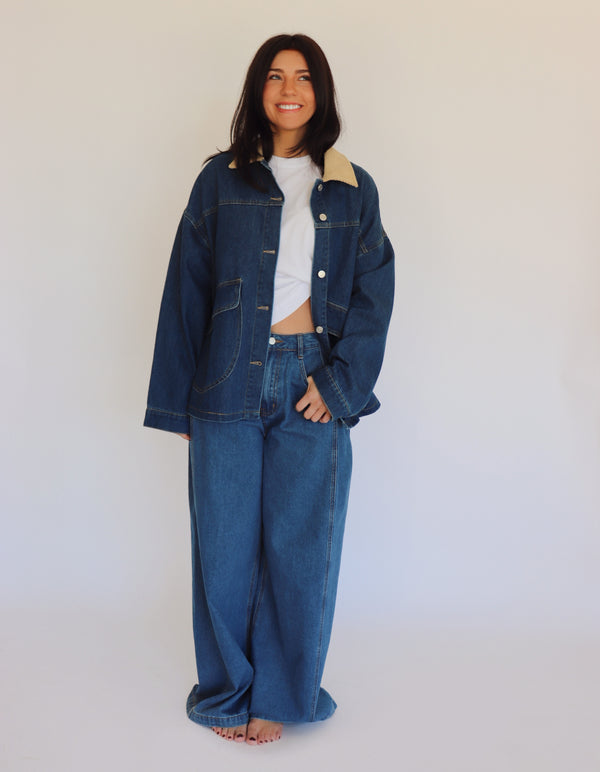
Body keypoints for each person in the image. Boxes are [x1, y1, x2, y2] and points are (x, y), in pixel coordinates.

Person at [144, 33, 394, 745]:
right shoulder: (219, 180)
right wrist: (178, 399)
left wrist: (341, 386)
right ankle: (227, 691)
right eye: (276, 76)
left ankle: (279, 695)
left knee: (301, 546)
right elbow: (185, 288)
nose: (290, 89)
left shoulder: (353, 186)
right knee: (223, 546)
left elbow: (375, 293)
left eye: (304, 77)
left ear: (321, 92)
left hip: (310, 376)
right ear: (258, 90)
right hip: (226, 376)